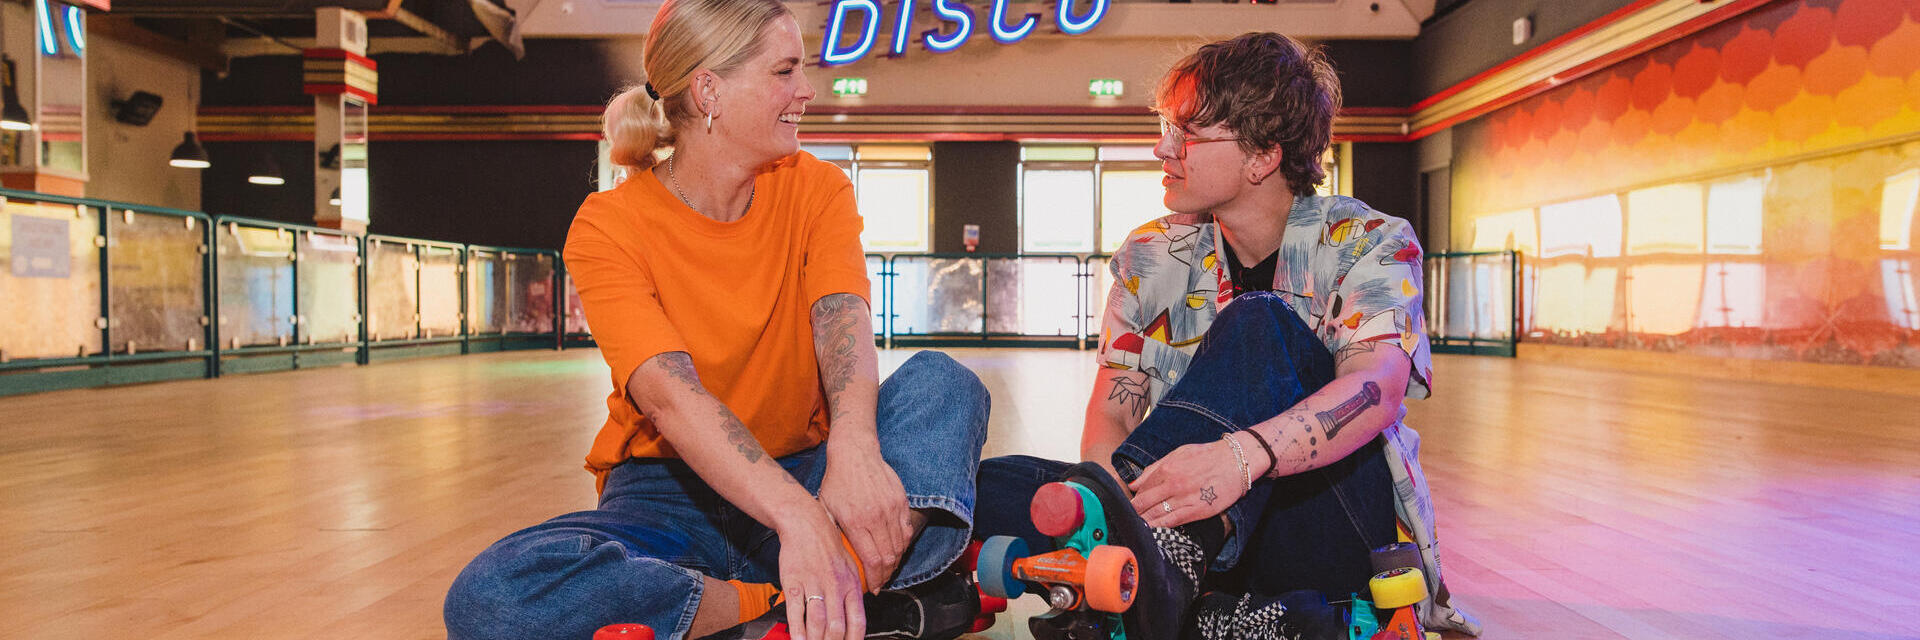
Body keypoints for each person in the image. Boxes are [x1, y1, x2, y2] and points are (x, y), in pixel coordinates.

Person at [442, 1, 991, 638]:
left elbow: (842, 318)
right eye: (784, 71)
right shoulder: (608, 225)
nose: (806, 91)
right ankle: (792, 604)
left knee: (944, 386)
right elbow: (670, 399)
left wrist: (854, 448)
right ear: (709, 90)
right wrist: (801, 520)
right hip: (667, 497)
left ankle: (784, 592)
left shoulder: (818, 189)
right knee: (489, 597)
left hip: (809, 467)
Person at [975, 32, 1480, 639]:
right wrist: (1112, 516)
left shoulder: (1369, 242)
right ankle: (1210, 606)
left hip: (1327, 520)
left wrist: (1240, 459)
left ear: (1264, 154)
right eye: (1167, 126)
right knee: (974, 486)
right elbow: (1111, 413)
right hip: (1186, 520)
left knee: (1259, 321)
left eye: (1186, 133)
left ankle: (1157, 579)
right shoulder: (1152, 255)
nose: (1163, 148)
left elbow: (1378, 388)